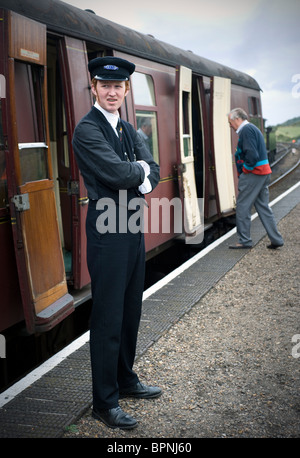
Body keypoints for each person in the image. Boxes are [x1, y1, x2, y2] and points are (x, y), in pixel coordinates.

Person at [72, 56, 161, 430]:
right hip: (108, 232)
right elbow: (116, 172)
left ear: (126, 90)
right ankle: (104, 403)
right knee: (108, 316)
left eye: (118, 86)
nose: (112, 92)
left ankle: (125, 379)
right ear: (94, 87)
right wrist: (138, 171)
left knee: (130, 310)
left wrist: (140, 172)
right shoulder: (87, 130)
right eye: (105, 85)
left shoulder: (127, 128)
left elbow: (152, 170)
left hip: (132, 225)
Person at [227, 107, 284, 250]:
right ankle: (276, 239)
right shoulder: (252, 129)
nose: (230, 125)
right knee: (263, 207)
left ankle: (244, 240)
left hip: (254, 174)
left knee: (242, 206)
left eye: (230, 122)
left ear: (237, 119)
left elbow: (251, 155)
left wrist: (246, 169)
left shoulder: (246, 130)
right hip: (263, 172)